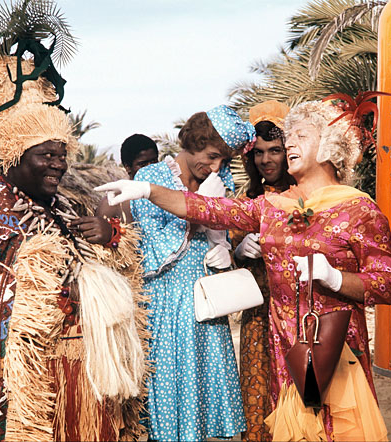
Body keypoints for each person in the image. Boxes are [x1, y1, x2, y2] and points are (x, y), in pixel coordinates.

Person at [97, 97, 391, 441]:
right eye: (291, 137)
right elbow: (208, 209)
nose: (290, 144)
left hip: (336, 347)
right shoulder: (270, 206)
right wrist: (148, 189)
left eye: (301, 135)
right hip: (283, 350)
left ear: (330, 145)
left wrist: (335, 278)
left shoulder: (359, 210)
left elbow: (387, 286)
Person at [0, 55, 148, 442]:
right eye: (46, 155)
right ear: (15, 157)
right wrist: (54, 285)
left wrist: (110, 237)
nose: (58, 165)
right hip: (36, 383)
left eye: (62, 155)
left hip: (89, 368)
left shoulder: (66, 204)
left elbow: (117, 270)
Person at [128, 105, 254, 441]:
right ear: (193, 142)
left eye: (224, 161)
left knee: (202, 397)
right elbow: (155, 244)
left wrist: (228, 249)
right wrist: (200, 204)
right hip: (166, 304)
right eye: (212, 156)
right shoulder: (149, 178)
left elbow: (222, 234)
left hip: (206, 304)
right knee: (169, 394)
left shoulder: (217, 180)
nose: (216, 167)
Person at [232, 100, 295, 441]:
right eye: (259, 152)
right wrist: (239, 251)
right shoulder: (248, 196)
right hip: (257, 314)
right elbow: (225, 246)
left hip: (297, 315)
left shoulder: (306, 196)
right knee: (258, 392)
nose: (266, 160)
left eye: (275, 150)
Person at [95, 133, 158, 223]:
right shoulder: (113, 203)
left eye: (154, 162)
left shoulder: (169, 195)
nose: (151, 168)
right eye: (143, 164)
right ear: (128, 167)